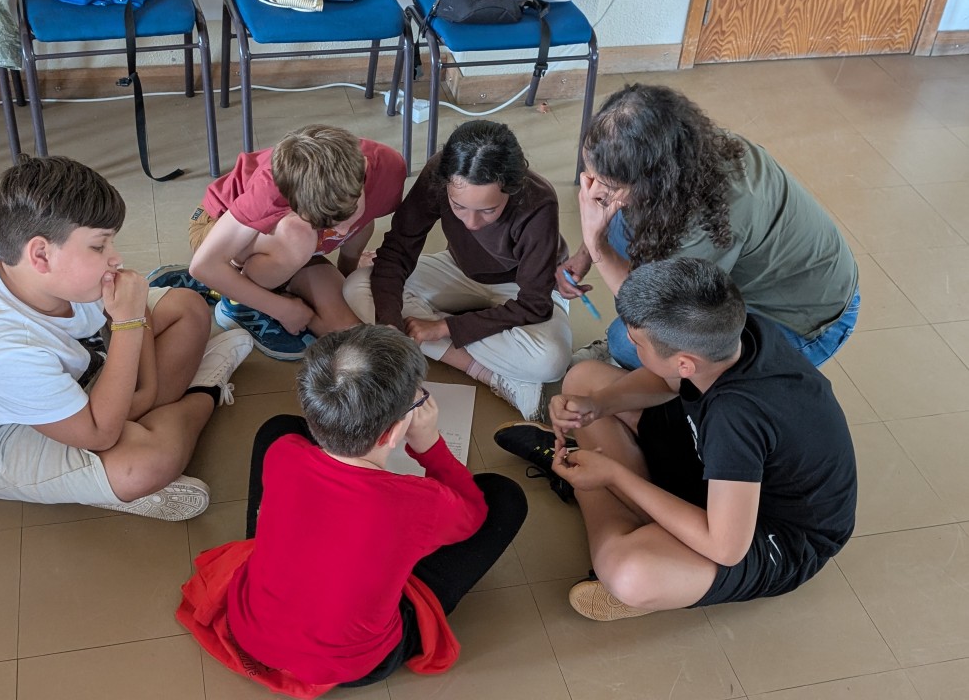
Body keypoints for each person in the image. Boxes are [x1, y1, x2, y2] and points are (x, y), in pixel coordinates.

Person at [495, 258, 857, 621]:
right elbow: (667, 381)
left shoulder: (735, 419)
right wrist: (596, 407)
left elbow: (726, 548)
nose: (629, 344)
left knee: (627, 572)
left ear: (685, 363)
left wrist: (614, 475)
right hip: (718, 463)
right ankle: (625, 504)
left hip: (774, 532)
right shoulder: (734, 333)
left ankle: (592, 489)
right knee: (583, 382)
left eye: (637, 342)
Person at [177, 324, 527, 694]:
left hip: (251, 632)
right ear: (394, 432)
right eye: (416, 403)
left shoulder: (285, 452)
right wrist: (429, 445)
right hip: (355, 664)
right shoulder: (423, 502)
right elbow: (473, 514)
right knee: (504, 498)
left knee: (278, 428)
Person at [0, 156, 253, 520]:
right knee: (147, 463)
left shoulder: (32, 268)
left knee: (189, 308)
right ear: (41, 254)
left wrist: (142, 382)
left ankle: (101, 468)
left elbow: (128, 324)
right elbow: (100, 433)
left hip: (70, 379)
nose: (116, 258)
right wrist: (130, 324)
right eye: (99, 246)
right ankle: (204, 389)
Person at [556, 83, 860, 369]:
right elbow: (611, 207)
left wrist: (596, 244)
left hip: (803, 321)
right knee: (622, 222)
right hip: (754, 272)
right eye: (590, 175)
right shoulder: (682, 152)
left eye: (607, 184)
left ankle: (650, 375)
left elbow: (656, 315)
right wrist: (584, 254)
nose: (592, 190)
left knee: (627, 342)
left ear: (652, 181)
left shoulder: (707, 223)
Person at [344, 120, 571, 420]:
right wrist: (390, 325)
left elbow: (534, 304)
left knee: (552, 360)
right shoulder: (439, 172)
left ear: (512, 188)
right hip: (461, 268)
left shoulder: (538, 200)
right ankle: (486, 371)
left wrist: (444, 327)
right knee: (357, 286)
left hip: (523, 284)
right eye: (458, 206)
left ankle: (440, 330)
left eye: (488, 210)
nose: (471, 224)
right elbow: (398, 249)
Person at [149, 124, 407, 360]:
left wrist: (347, 275)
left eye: (347, 213)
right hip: (218, 229)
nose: (341, 230)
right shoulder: (270, 188)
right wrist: (282, 310)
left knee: (349, 335)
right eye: (324, 221)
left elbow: (364, 223)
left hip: (294, 248)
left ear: (363, 168)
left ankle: (261, 287)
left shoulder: (390, 168)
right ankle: (235, 299)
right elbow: (204, 265)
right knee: (299, 234)